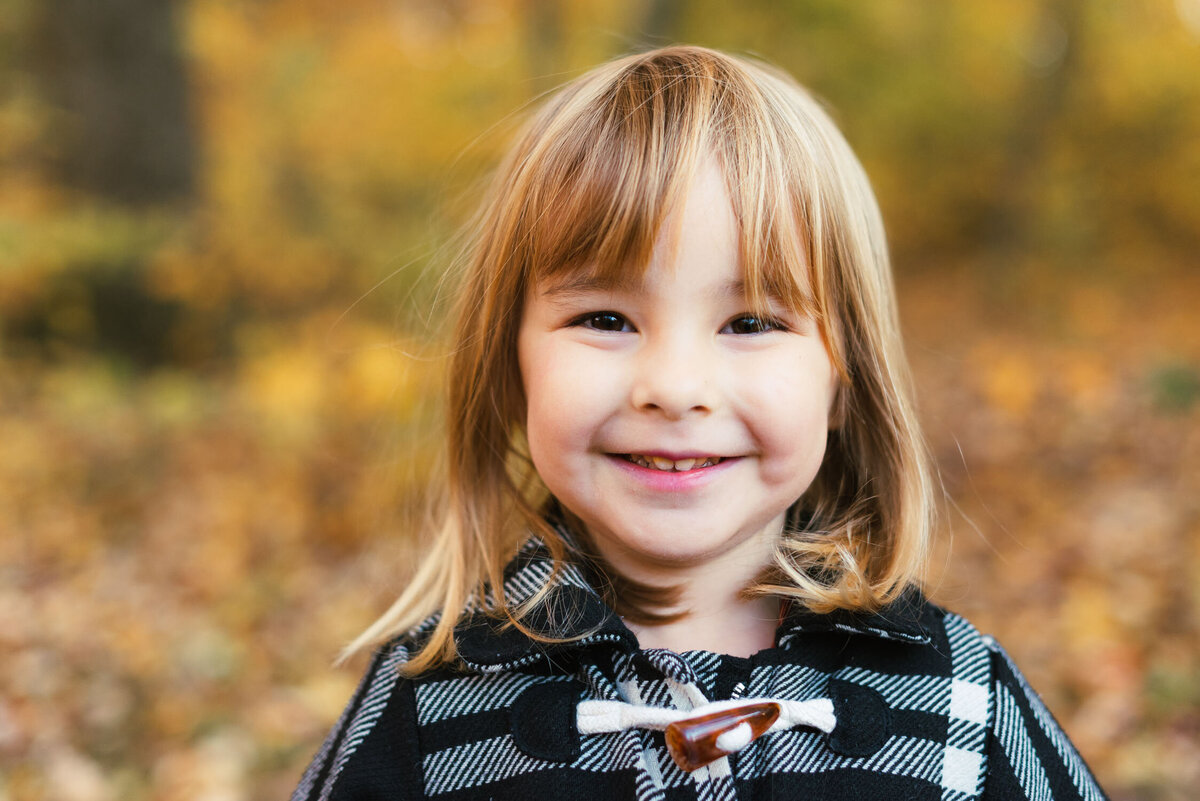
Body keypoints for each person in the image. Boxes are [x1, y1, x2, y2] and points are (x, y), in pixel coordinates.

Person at [291, 46, 1107, 801]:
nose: (675, 388)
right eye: (606, 318)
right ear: (511, 368)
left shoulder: (964, 702)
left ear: (843, 377)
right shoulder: (426, 710)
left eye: (751, 323)